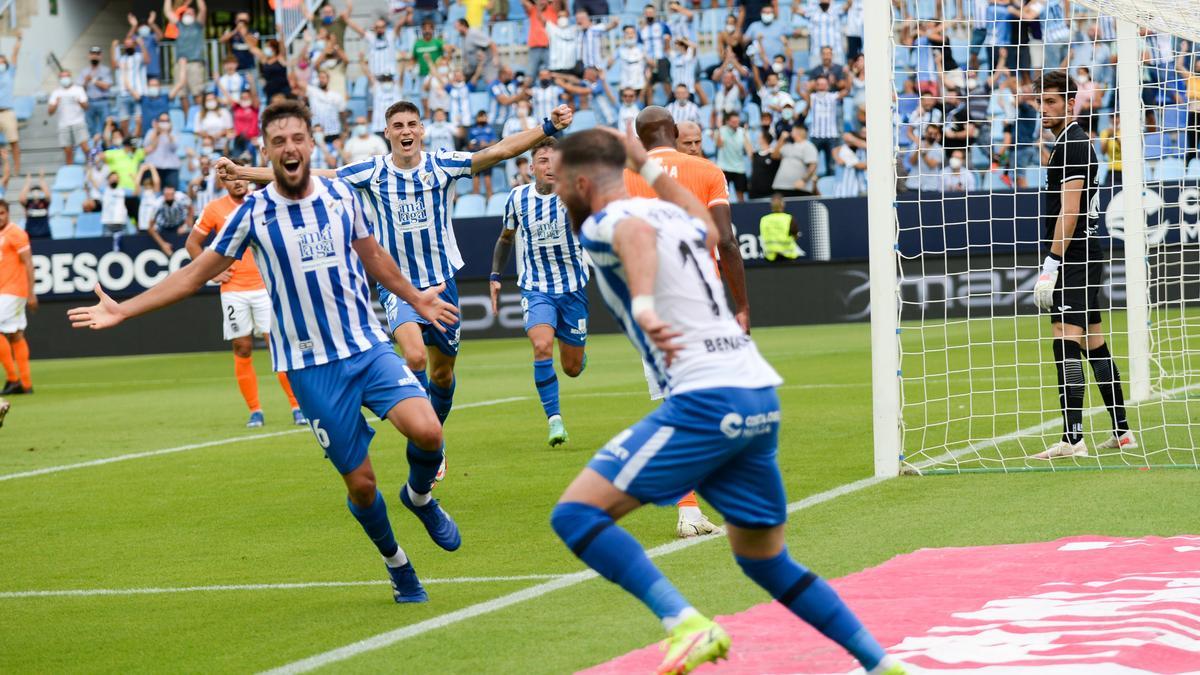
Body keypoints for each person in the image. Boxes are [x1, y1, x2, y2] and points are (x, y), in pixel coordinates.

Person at [70, 99, 463, 604]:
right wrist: (124, 310)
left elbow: (374, 257)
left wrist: (415, 298)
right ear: (266, 151)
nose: (289, 148)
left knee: (430, 431)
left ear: (311, 142)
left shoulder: (342, 195)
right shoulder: (253, 213)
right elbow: (194, 274)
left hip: (366, 348)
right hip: (310, 369)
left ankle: (420, 497)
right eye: (278, 141)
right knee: (362, 485)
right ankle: (398, 565)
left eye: (297, 138)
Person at [550, 127, 906, 675]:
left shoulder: (607, 221)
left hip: (705, 399)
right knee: (766, 562)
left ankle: (684, 622)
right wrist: (648, 166)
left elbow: (635, 237)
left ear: (578, 182)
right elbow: (705, 222)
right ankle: (882, 665)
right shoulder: (679, 216)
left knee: (576, 515)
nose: (557, 196)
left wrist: (644, 304)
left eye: (558, 186)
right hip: (757, 392)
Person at [220, 101, 575, 432]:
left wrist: (547, 126)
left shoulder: (443, 164)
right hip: (398, 286)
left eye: (411, 125)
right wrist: (244, 172)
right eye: (397, 126)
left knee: (443, 375)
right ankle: (418, 430)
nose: (405, 131)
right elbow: (318, 176)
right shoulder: (372, 172)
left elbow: (500, 150)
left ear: (421, 131)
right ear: (387, 133)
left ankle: (431, 434)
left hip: (442, 283)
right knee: (415, 356)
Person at [621, 107, 748, 538]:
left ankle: (691, 509)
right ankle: (700, 505)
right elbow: (727, 241)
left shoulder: (623, 178)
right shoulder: (707, 170)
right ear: (675, 133)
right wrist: (742, 305)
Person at [1032, 70, 1136, 458]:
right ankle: (1122, 431)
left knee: (1065, 337)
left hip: (1075, 255)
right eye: (1040, 102)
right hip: (1087, 254)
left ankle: (1073, 438)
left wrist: (1051, 263)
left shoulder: (1073, 143)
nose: (1045, 109)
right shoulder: (1067, 143)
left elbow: (1071, 211)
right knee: (1093, 341)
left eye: (1053, 101)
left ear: (1071, 103)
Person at [185, 163, 306, 428]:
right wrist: (211, 274)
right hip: (233, 291)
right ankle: (255, 410)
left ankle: (297, 405)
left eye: (240, 178)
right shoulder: (214, 209)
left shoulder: (260, 202)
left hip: (265, 288)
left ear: (246, 177)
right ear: (224, 183)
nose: (238, 183)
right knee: (242, 347)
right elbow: (192, 244)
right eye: (231, 180)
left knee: (278, 346)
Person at [490, 138, 589, 446]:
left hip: (573, 288)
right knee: (542, 345)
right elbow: (506, 238)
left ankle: (576, 351)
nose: (551, 166)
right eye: (544, 161)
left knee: (572, 368)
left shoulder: (574, 195)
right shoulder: (517, 198)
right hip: (536, 287)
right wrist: (495, 276)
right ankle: (555, 421)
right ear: (531, 167)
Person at [0, 201, 34, 395]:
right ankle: (26, 384)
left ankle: (13, 379)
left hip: (13, 291)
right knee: (16, 334)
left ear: (8, 213)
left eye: (2, 213)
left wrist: (32, 292)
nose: (0, 217)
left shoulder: (16, 233)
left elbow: (28, 262)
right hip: (4, 291)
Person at [164, 0, 208, 116]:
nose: (189, 14)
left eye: (191, 13)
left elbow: (203, 9)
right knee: (182, 94)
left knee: (197, 93)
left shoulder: (198, 26)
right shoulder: (179, 25)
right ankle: (188, 119)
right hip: (180, 64)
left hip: (195, 64)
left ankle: (200, 118)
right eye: (187, 13)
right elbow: (168, 11)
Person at [49, 71, 91, 165]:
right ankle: (69, 171)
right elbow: (50, 112)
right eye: (62, 77)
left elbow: (86, 107)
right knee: (68, 151)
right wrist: (56, 103)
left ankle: (91, 166)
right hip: (64, 124)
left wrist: (79, 101)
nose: (64, 79)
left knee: (85, 148)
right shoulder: (56, 92)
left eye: (66, 76)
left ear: (70, 77)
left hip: (78, 122)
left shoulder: (78, 90)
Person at [771, 124, 818, 197]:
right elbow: (774, 156)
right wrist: (781, 139)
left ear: (799, 132)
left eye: (793, 130)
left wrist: (803, 180)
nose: (790, 132)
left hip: (799, 189)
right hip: (781, 187)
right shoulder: (788, 145)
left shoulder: (808, 146)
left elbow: (813, 165)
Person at [715, 111, 753, 201]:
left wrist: (745, 133)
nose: (736, 124)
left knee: (741, 195)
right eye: (733, 122)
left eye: (737, 122)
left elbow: (749, 151)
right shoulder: (721, 130)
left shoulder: (743, 132)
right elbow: (719, 145)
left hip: (739, 167)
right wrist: (719, 129)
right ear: (727, 122)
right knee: (723, 194)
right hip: (724, 167)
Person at [0, 31, 23, 174]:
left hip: (7, 111)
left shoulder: (9, 73)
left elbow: (15, 55)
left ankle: (17, 169)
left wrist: (19, 39)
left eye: (3, 61)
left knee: (13, 141)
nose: (1, 63)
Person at [79, 46, 113, 141]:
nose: (95, 56)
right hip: (89, 102)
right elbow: (80, 90)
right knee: (90, 127)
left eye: (97, 54)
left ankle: (104, 147)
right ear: (89, 56)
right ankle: (93, 150)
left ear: (100, 56)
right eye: (93, 54)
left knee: (105, 126)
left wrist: (93, 80)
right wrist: (85, 82)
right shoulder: (84, 71)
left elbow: (106, 86)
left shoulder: (106, 70)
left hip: (103, 101)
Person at [147, 185, 192, 255]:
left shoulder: (182, 197)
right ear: (163, 195)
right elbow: (150, 227)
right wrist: (162, 244)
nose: (169, 197)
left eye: (171, 194)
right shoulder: (157, 204)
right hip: (163, 227)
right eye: (167, 194)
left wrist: (186, 226)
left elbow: (191, 209)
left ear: (174, 193)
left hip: (180, 223)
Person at [759, 193, 802, 261]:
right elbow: (795, 235)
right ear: (783, 204)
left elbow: (763, 236)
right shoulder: (788, 218)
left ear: (771, 205)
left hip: (770, 257)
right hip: (788, 257)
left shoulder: (764, 219)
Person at [467, 110, 498, 198]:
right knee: (475, 177)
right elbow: (469, 145)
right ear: (477, 118)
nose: (482, 118)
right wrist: (476, 144)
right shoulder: (472, 129)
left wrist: (486, 144)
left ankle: (490, 199)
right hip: (476, 156)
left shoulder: (490, 129)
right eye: (480, 116)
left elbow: (494, 142)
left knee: (487, 177)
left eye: (484, 116)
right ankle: (476, 199)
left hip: (487, 156)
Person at [18, 174, 50, 240]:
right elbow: (21, 198)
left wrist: (42, 181)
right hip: (30, 235)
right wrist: (27, 183)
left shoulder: (44, 202)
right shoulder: (28, 203)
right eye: (33, 191)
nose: (36, 192)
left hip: (45, 234)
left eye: (38, 190)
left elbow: (48, 196)